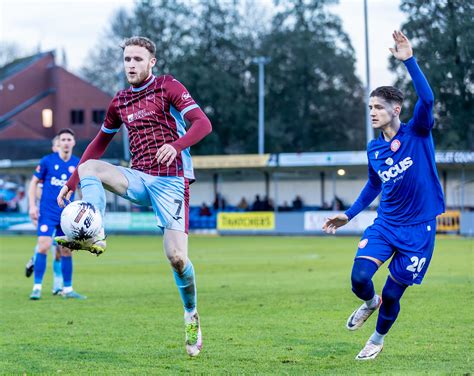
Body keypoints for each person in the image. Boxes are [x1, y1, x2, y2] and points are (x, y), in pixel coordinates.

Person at [56, 36, 212, 357]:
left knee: (177, 259)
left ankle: (191, 314)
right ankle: (95, 229)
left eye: (138, 59)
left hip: (171, 183)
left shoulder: (168, 87)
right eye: (127, 59)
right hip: (138, 177)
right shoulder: (120, 101)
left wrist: (177, 146)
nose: (131, 65)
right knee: (91, 168)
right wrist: (72, 182)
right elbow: (98, 143)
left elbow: (203, 124)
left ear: (151, 62)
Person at [322, 31, 444, 360]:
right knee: (359, 278)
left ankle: (376, 338)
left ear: (396, 109)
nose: (372, 112)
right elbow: (374, 184)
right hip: (386, 224)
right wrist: (349, 213)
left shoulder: (417, 132)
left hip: (419, 230)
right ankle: (368, 303)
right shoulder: (374, 147)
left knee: (393, 294)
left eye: (378, 107)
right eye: (370, 106)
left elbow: (428, 100)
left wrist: (408, 60)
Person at [28, 129, 84, 300]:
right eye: (63, 139)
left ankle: (67, 289)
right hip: (47, 212)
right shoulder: (47, 161)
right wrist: (32, 206)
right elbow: (34, 183)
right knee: (43, 246)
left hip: (67, 215)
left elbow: (81, 189)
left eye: (69, 139)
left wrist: (83, 209)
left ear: (73, 143)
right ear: (58, 143)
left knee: (66, 251)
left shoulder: (78, 164)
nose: (66, 142)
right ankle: (37, 287)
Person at [25, 136, 64, 295]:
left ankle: (57, 286)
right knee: (46, 246)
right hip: (48, 213)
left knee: (59, 251)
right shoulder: (48, 165)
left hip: (63, 216)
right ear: (54, 147)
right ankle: (41, 280)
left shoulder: (67, 166)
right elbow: (39, 190)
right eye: (57, 144)